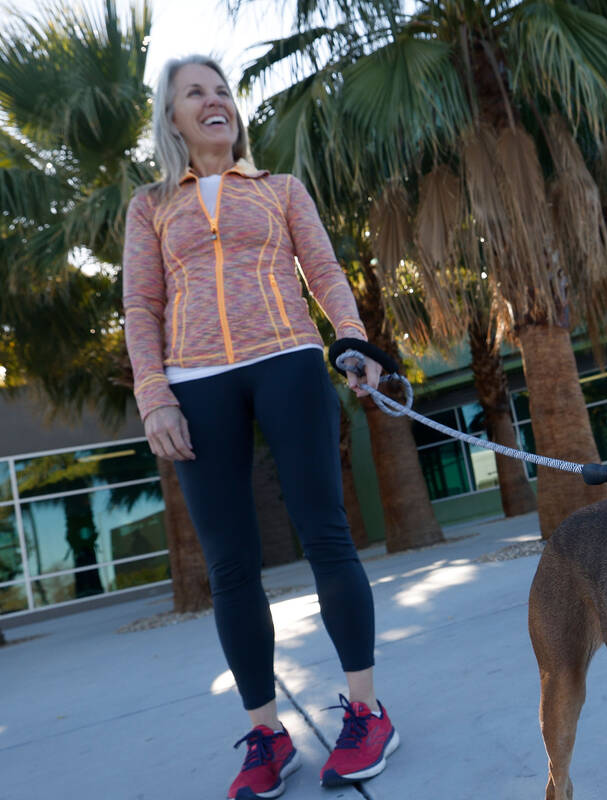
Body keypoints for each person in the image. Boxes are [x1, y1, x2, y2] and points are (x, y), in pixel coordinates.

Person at [122, 55, 396, 800]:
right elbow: (141, 308)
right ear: (172, 118)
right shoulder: (150, 206)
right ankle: (267, 736)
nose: (214, 103)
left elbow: (326, 268)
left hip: (288, 360)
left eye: (221, 92)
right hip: (193, 382)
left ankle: (368, 714)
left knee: (325, 533)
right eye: (195, 94)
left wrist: (350, 339)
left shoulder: (279, 189)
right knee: (231, 565)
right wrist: (155, 397)